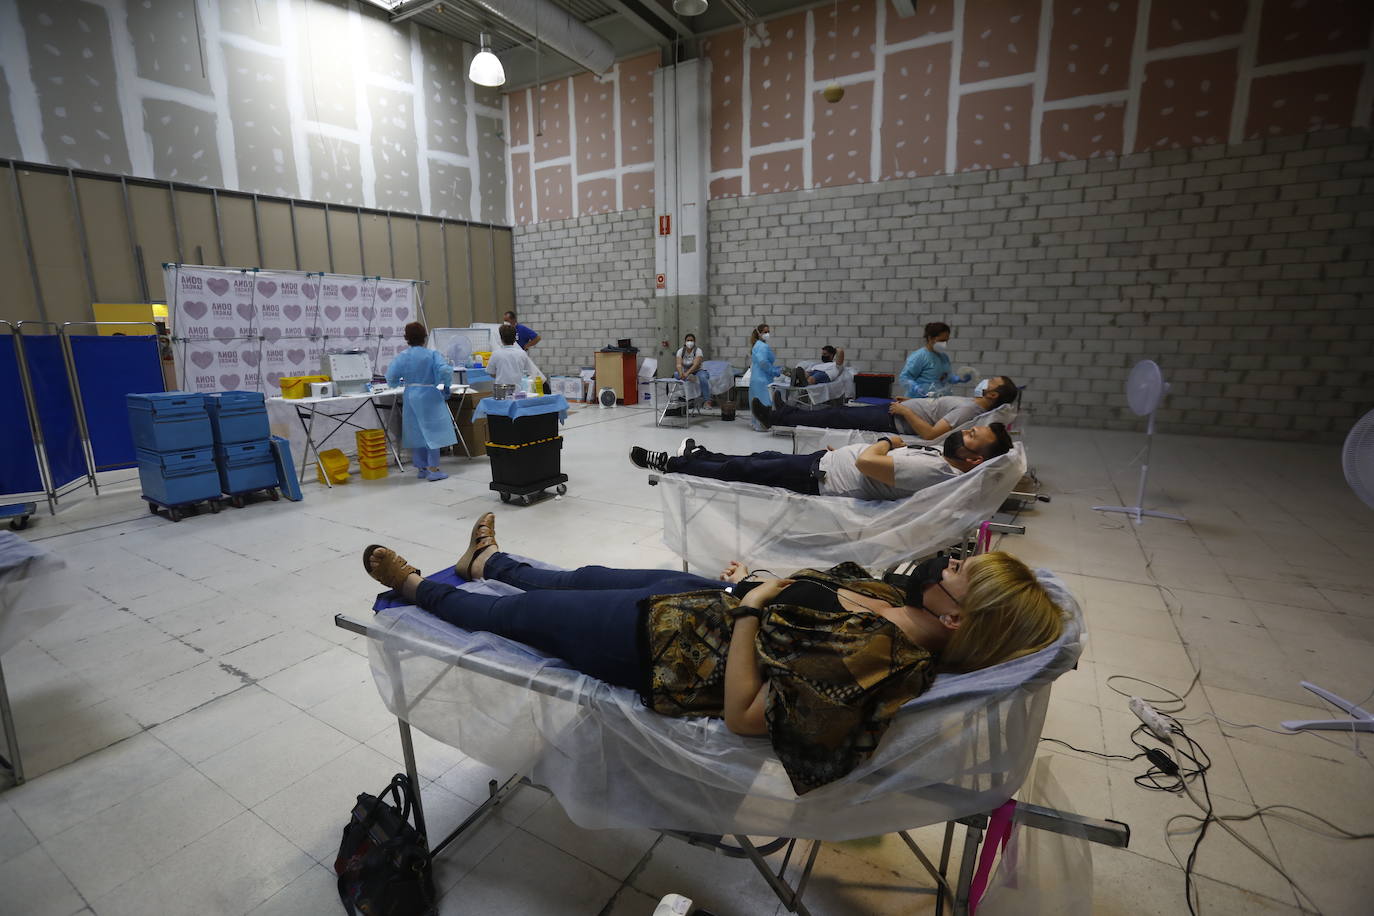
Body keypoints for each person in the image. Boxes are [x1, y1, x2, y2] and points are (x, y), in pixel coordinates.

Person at [362, 513, 1065, 794]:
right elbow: (816, 596)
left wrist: (752, 612)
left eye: (961, 574)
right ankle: (485, 559)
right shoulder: (904, 602)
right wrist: (750, 587)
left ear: (960, 618)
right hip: (700, 602)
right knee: (576, 578)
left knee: (523, 619)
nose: (951, 562)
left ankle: (419, 587)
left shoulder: (884, 658)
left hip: (666, 649)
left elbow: (745, 714)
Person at [629, 424, 1013, 501]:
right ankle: (698, 456)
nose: (967, 432)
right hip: (825, 463)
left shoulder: (935, 471)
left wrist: (885, 440)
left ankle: (669, 464)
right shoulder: (942, 460)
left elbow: (867, 464)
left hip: (823, 479)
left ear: (974, 458)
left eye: (973, 437)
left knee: (739, 472)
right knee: (756, 457)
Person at [752, 376, 1019, 441]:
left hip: (894, 421)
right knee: (835, 414)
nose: (985, 381)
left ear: (992, 394)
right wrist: (911, 404)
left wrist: (906, 412)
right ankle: (782, 412)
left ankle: (776, 417)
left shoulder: (968, 412)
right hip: (899, 411)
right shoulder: (972, 405)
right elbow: (936, 410)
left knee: (834, 415)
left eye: (990, 382)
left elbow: (931, 434)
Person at [386, 322, 455, 481]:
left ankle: (421, 468)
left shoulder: (403, 356)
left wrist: (397, 384)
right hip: (430, 394)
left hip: (411, 394)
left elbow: (391, 376)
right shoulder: (432, 355)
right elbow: (444, 370)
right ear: (424, 337)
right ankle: (434, 468)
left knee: (416, 431)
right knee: (433, 431)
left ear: (407, 338)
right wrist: (445, 385)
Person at [900, 322, 953, 398]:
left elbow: (945, 376)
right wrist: (915, 387)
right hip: (918, 401)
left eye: (946, 340)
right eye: (941, 340)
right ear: (930, 338)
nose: (944, 343)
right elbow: (904, 378)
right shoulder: (919, 356)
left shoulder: (944, 357)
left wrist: (956, 378)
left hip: (938, 401)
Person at [486, 324, 543, 388]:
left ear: (501, 339)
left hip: (501, 391)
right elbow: (529, 371)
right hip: (518, 390)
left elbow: (491, 372)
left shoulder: (496, 354)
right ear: (515, 339)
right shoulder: (522, 353)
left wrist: (502, 376)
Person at [748, 323, 781, 431]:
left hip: (756, 379)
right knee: (764, 402)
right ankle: (763, 425)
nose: (767, 334)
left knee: (756, 403)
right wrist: (775, 371)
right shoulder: (763, 346)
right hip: (763, 379)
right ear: (759, 333)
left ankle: (756, 424)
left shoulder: (756, 345)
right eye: (765, 332)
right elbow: (763, 363)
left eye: (768, 332)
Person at [669, 333, 710, 416]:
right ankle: (675, 398)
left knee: (703, 378)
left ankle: (707, 401)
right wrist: (681, 373)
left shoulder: (698, 351)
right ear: (685, 342)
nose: (689, 342)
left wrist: (687, 374)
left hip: (697, 370)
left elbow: (696, 365)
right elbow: (678, 364)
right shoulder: (681, 351)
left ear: (694, 342)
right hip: (685, 372)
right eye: (688, 340)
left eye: (691, 340)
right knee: (676, 375)